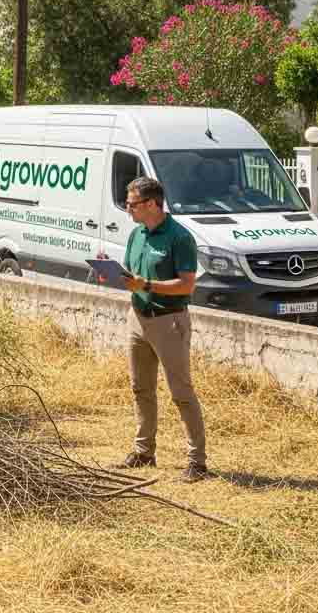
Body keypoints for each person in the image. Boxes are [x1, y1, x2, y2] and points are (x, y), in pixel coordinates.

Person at [116, 176, 209, 483]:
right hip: (138, 318)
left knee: (181, 392)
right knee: (140, 388)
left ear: (152, 204)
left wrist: (147, 285)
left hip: (168, 321)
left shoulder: (179, 238)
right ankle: (144, 451)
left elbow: (186, 283)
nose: (128, 209)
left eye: (132, 204)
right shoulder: (137, 235)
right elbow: (132, 272)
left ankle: (197, 462)